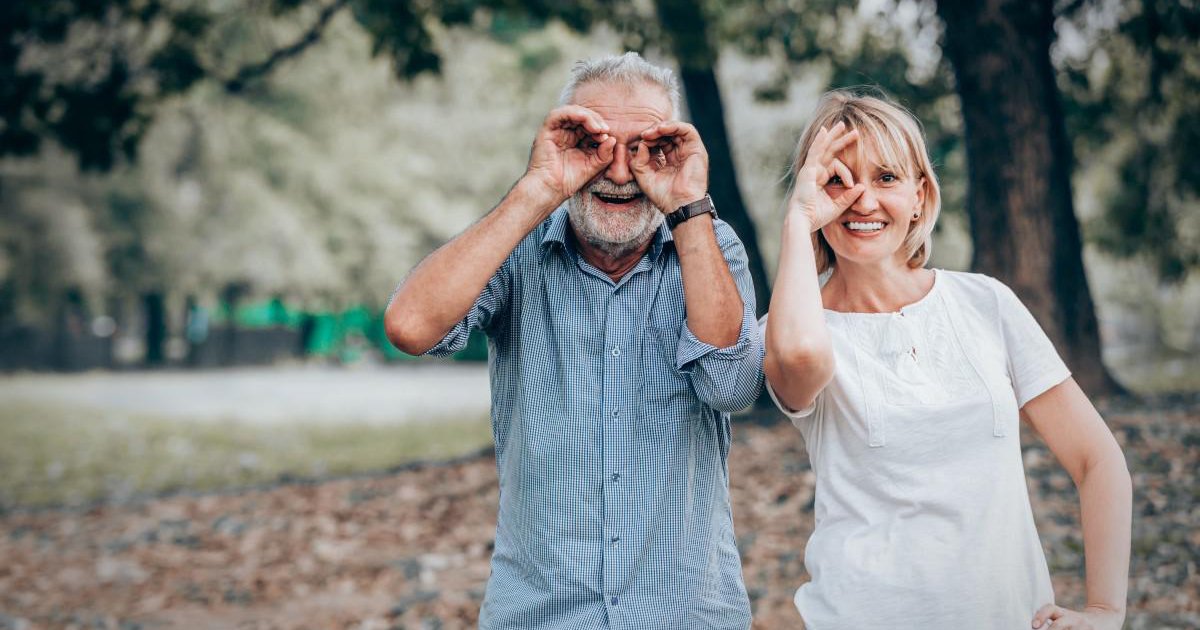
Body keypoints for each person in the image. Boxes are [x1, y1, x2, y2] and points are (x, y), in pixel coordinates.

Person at [385, 52, 762, 629]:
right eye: (594, 143)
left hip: (686, 616)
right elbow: (411, 327)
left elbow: (732, 385)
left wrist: (688, 207)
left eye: (645, 148)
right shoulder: (518, 245)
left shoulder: (710, 244)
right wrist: (539, 187)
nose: (617, 173)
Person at [761, 89, 1131, 629]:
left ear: (920, 195)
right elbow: (796, 359)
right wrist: (797, 219)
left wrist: (1105, 610)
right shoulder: (794, 327)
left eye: (886, 178)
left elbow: (1097, 460)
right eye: (838, 181)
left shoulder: (986, 303)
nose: (861, 200)